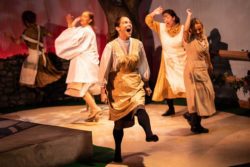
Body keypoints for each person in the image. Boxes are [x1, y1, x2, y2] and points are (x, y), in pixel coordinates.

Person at [99, 16, 158, 163]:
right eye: (125, 22)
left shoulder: (138, 44)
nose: (128, 24)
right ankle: (117, 150)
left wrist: (146, 83)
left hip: (134, 83)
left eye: (130, 23)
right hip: (117, 88)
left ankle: (149, 133)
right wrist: (102, 90)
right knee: (119, 123)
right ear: (118, 28)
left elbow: (143, 64)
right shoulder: (111, 46)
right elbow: (104, 68)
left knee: (139, 106)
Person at [55, 11, 102, 122]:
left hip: (83, 62)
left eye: (85, 16)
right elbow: (73, 35)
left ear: (90, 20)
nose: (82, 17)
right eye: (82, 15)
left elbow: (71, 39)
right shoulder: (86, 30)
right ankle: (93, 113)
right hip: (86, 61)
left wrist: (71, 23)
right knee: (86, 88)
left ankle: (95, 109)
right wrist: (73, 23)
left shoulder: (86, 31)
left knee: (80, 87)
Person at [145, 7, 186, 116]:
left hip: (182, 59)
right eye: (163, 18)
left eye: (167, 17)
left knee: (185, 84)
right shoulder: (161, 27)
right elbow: (148, 21)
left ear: (173, 17)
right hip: (168, 60)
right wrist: (154, 13)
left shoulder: (182, 28)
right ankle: (171, 108)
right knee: (167, 85)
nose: (165, 20)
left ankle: (192, 109)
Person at [182, 9, 216, 133]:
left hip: (203, 69)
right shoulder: (189, 39)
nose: (198, 31)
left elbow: (206, 53)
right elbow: (185, 30)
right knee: (196, 99)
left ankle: (191, 117)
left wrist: (210, 64)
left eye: (199, 28)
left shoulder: (204, 39)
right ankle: (196, 125)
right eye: (195, 29)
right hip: (191, 70)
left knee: (208, 95)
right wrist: (189, 16)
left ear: (202, 27)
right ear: (191, 29)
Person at [10, 10, 64, 88]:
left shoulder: (26, 32)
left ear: (25, 21)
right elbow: (50, 34)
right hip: (43, 57)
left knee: (29, 80)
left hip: (33, 57)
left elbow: (17, 42)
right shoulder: (40, 28)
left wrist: (10, 37)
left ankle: (35, 93)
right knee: (41, 77)